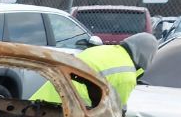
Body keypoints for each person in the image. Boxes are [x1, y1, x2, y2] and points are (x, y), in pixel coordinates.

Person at [30, 32, 158, 108]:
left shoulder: (102, 49)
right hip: (70, 111)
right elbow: (116, 113)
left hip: (39, 101)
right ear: (147, 57)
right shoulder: (127, 75)